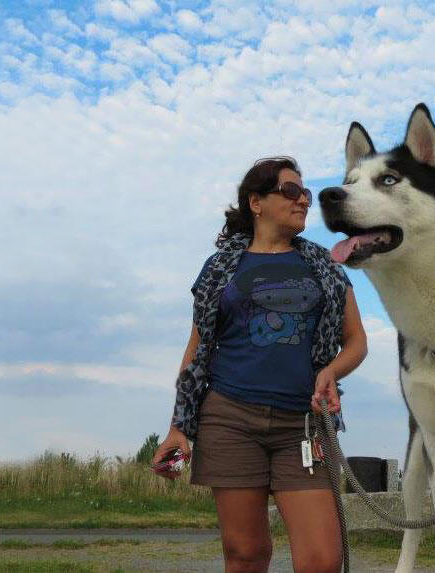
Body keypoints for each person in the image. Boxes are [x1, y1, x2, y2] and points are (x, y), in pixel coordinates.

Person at [153, 156, 367, 573]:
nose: (304, 200)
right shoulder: (219, 269)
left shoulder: (324, 265)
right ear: (256, 202)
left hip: (303, 426)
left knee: (323, 560)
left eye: (305, 193)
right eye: (291, 191)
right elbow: (197, 350)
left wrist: (331, 372)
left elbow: (356, 340)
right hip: (229, 420)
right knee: (246, 555)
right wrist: (179, 426)